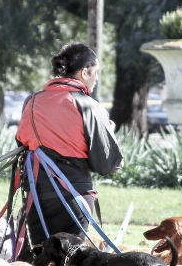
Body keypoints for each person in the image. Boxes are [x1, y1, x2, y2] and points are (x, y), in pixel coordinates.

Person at [16, 42, 123, 248]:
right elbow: (107, 165)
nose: (97, 78)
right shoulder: (88, 105)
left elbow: (23, 141)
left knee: (41, 262)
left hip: (37, 196)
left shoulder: (33, 100)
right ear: (84, 73)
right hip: (74, 195)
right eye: (96, 73)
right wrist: (107, 130)